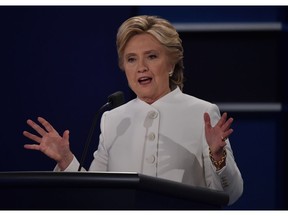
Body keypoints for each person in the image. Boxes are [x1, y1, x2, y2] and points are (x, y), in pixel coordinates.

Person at [23, 15, 243, 205]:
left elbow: (230, 195)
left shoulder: (202, 113)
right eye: (131, 59)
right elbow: (94, 193)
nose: (141, 67)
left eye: (152, 56)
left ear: (172, 64)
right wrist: (66, 160)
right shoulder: (113, 119)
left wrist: (218, 157)